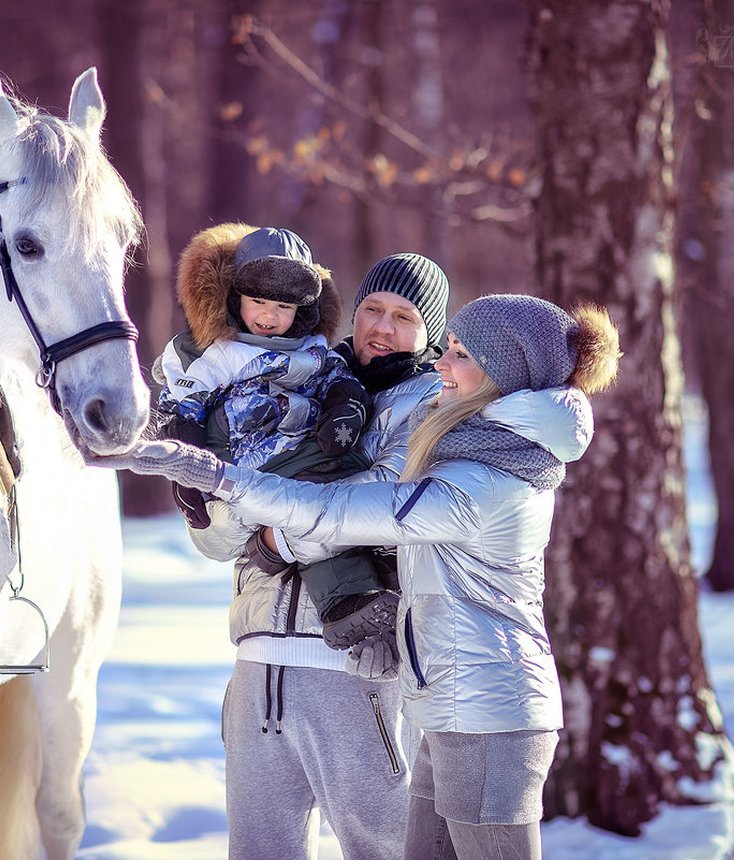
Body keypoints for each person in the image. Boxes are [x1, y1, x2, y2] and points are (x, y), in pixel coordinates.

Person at [97, 293, 621, 860]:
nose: (443, 364)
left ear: (501, 375)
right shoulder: (467, 454)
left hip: (488, 712)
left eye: (460, 354)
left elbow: (341, 513)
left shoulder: (482, 482)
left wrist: (217, 474)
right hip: (450, 704)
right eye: (446, 350)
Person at [177, 252, 452, 860]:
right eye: (372, 309)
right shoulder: (294, 376)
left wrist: (277, 536)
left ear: (429, 331)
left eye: (403, 316)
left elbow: (383, 499)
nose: (381, 327)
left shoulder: (432, 404)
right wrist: (211, 490)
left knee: (381, 850)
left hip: (356, 672)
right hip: (256, 671)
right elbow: (217, 542)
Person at [155, 224, 394, 648]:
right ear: (235, 299)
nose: (269, 316)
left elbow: (339, 380)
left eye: (283, 306)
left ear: (302, 310)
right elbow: (185, 405)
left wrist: (346, 411)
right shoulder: (217, 350)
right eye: (258, 302)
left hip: (313, 453)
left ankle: (348, 604)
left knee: (324, 512)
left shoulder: (311, 348)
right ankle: (345, 598)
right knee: (309, 511)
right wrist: (186, 467)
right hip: (252, 460)